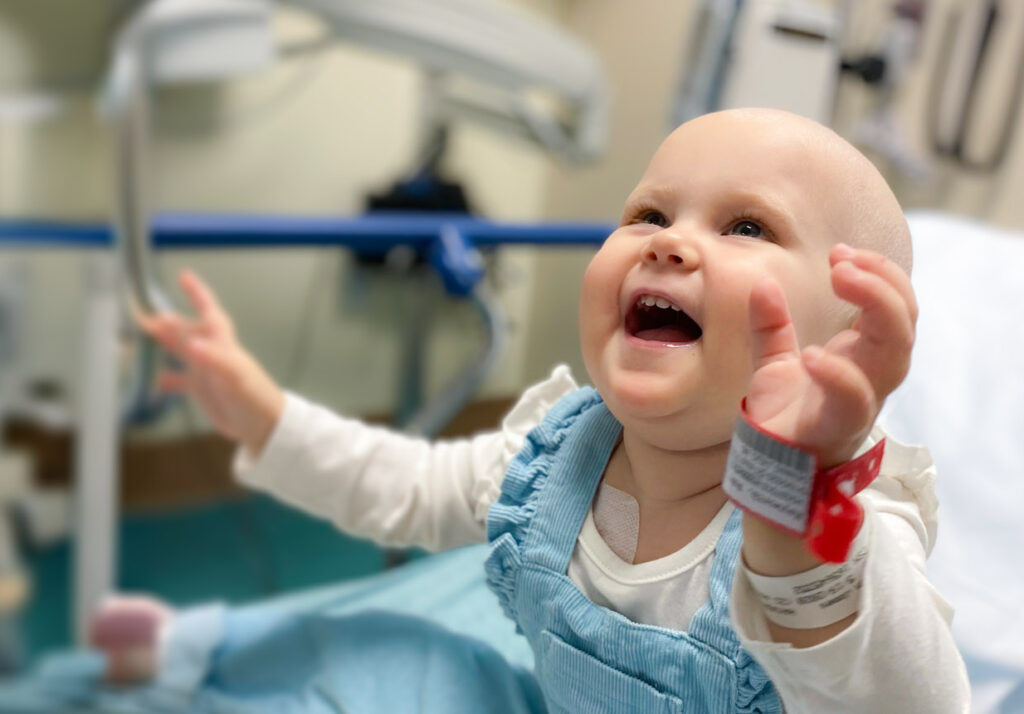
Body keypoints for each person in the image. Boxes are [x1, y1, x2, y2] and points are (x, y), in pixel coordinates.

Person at [92, 108, 969, 712]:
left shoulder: (847, 517)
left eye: (746, 228)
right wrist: (261, 414)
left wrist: (793, 494)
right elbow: (401, 487)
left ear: (839, 338)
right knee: (390, 653)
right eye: (650, 212)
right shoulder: (555, 455)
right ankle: (195, 658)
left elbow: (910, 701)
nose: (669, 241)